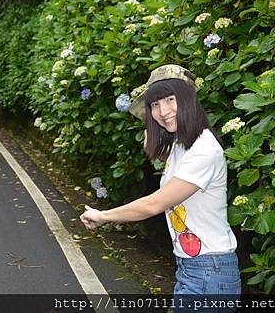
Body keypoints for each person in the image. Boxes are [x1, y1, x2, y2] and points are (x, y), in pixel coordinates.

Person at [80, 64, 240, 307]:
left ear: (187, 100)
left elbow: (153, 205)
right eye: (155, 104)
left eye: (170, 99)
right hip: (192, 267)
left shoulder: (204, 149)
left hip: (210, 272)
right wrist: (156, 150)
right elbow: (181, 175)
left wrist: (103, 216)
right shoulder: (182, 145)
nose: (162, 111)